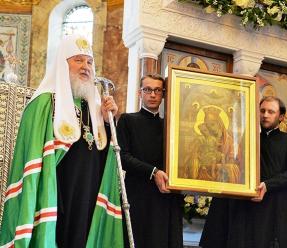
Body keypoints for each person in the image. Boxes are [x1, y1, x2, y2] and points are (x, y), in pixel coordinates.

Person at [0, 35, 123, 248]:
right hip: (57, 193)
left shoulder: (93, 107)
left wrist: (107, 121)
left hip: (88, 194)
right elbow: (34, 156)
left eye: (89, 62)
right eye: (78, 60)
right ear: (62, 64)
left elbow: (102, 156)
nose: (86, 67)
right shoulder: (44, 102)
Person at [200, 96, 287, 248]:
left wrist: (267, 185)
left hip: (275, 206)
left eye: (271, 112)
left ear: (280, 117)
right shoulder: (247, 140)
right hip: (247, 206)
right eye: (262, 111)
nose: (265, 114)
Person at [116, 74, 183, 248]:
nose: (152, 94)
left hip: (166, 198)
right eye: (147, 90)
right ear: (140, 93)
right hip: (138, 195)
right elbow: (122, 157)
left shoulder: (171, 126)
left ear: (163, 94)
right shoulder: (127, 120)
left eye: (157, 90)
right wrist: (153, 172)